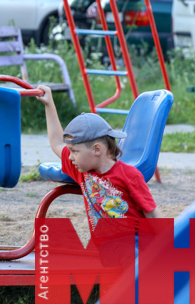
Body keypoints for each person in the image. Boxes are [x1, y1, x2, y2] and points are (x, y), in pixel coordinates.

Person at [37, 85, 162, 233]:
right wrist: (49, 104)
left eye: (74, 151)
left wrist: (169, 246)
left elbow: (152, 212)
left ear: (97, 149)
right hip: (110, 248)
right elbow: (57, 142)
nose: (69, 157)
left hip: (137, 242)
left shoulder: (129, 175)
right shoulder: (83, 172)